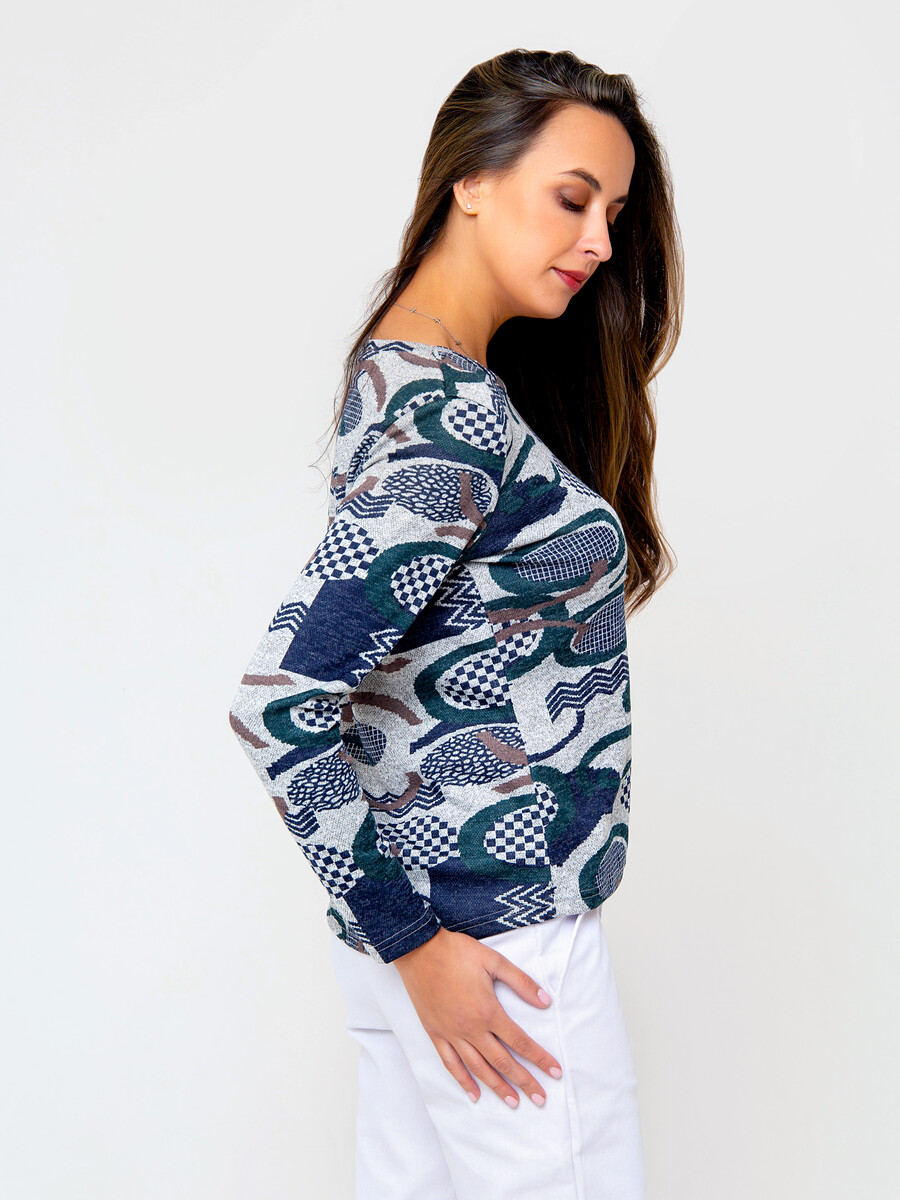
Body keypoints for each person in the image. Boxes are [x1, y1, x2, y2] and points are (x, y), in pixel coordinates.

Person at [229, 46, 682, 1200]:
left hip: (435, 946)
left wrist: (405, 946)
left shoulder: (399, 371)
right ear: (471, 180)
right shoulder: (451, 418)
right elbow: (282, 703)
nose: (599, 240)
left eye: (615, 214)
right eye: (572, 198)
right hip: (498, 954)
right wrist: (419, 947)